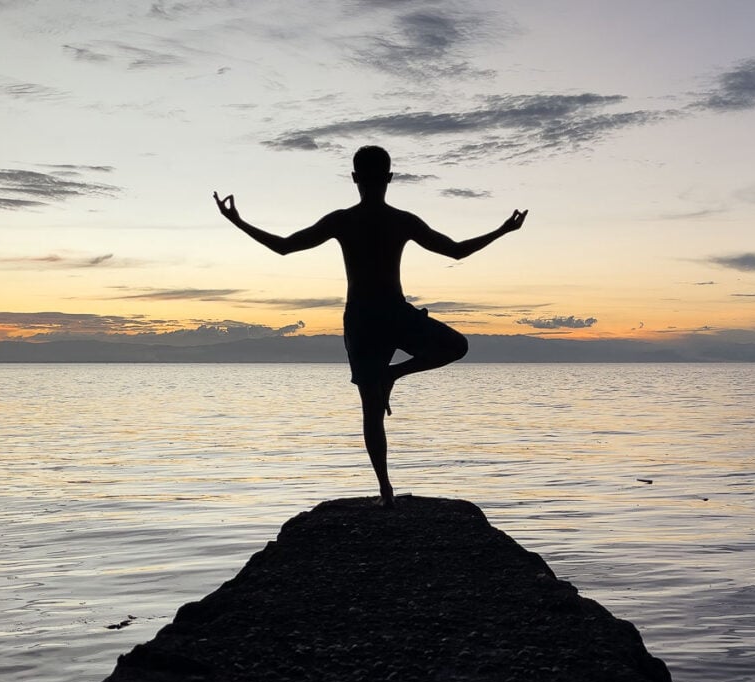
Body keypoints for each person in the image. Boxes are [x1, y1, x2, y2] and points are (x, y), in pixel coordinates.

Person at [214, 145, 526, 508]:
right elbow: (456, 251)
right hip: (393, 313)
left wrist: (237, 221)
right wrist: (504, 230)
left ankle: (386, 490)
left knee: (372, 410)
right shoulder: (401, 220)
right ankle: (392, 385)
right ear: (390, 178)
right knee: (456, 347)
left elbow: (284, 247)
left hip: (363, 319)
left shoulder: (343, 220)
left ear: (354, 178)